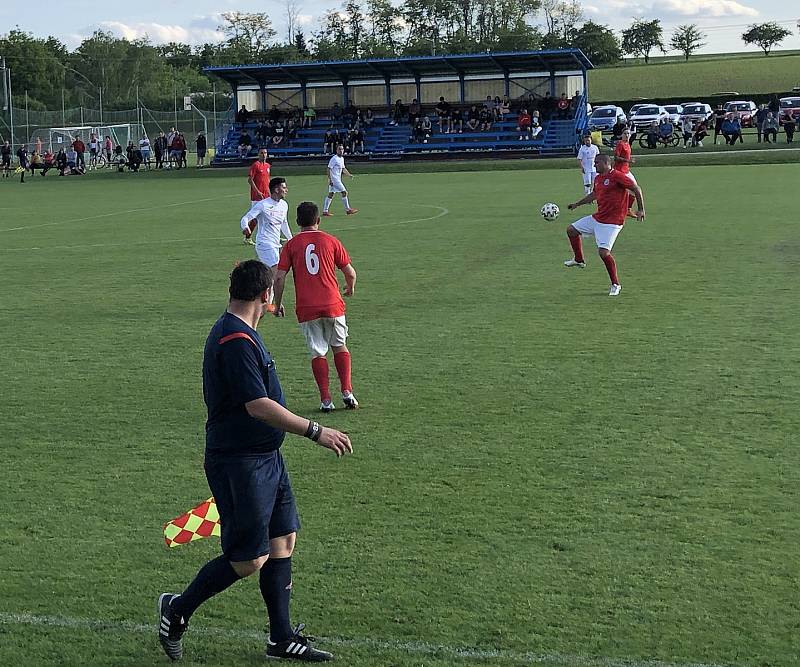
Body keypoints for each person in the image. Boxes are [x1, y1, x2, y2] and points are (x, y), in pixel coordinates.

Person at [157, 259, 351, 664]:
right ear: (266, 295)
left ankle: (281, 639)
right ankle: (176, 610)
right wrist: (316, 431)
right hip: (240, 462)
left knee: (283, 540)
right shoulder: (234, 340)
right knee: (249, 558)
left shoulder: (243, 332)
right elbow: (258, 405)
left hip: (266, 457)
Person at [273, 201, 359, 412]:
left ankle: (326, 399)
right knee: (339, 345)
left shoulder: (291, 245)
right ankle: (347, 391)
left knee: (318, 353)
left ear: (297, 222)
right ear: (318, 221)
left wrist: (278, 303)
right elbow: (350, 272)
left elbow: (279, 277)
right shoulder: (330, 240)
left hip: (307, 307)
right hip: (332, 303)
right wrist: (350, 288)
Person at [564, 153, 645, 296]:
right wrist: (577, 204)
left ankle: (616, 284)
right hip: (598, 218)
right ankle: (579, 259)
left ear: (605, 163)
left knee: (603, 253)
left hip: (612, 222)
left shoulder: (617, 176)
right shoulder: (598, 178)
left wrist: (641, 209)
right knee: (571, 230)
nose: (594, 165)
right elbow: (594, 195)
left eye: (596, 162)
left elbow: (636, 189)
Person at [241, 177, 293, 274]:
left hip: (276, 244)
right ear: (277, 190)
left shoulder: (284, 205)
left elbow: (284, 223)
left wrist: (291, 239)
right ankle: (270, 289)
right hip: (264, 243)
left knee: (266, 274)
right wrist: (245, 227)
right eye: (284, 188)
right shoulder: (263, 205)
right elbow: (245, 218)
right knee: (275, 270)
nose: (286, 190)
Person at [322, 144, 357, 217]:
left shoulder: (342, 159)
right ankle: (348, 210)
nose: (341, 151)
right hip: (335, 180)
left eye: (342, 149)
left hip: (337, 179)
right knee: (344, 192)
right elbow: (328, 169)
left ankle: (325, 211)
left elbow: (343, 168)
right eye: (339, 149)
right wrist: (330, 179)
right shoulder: (334, 159)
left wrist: (349, 175)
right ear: (336, 150)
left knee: (331, 194)